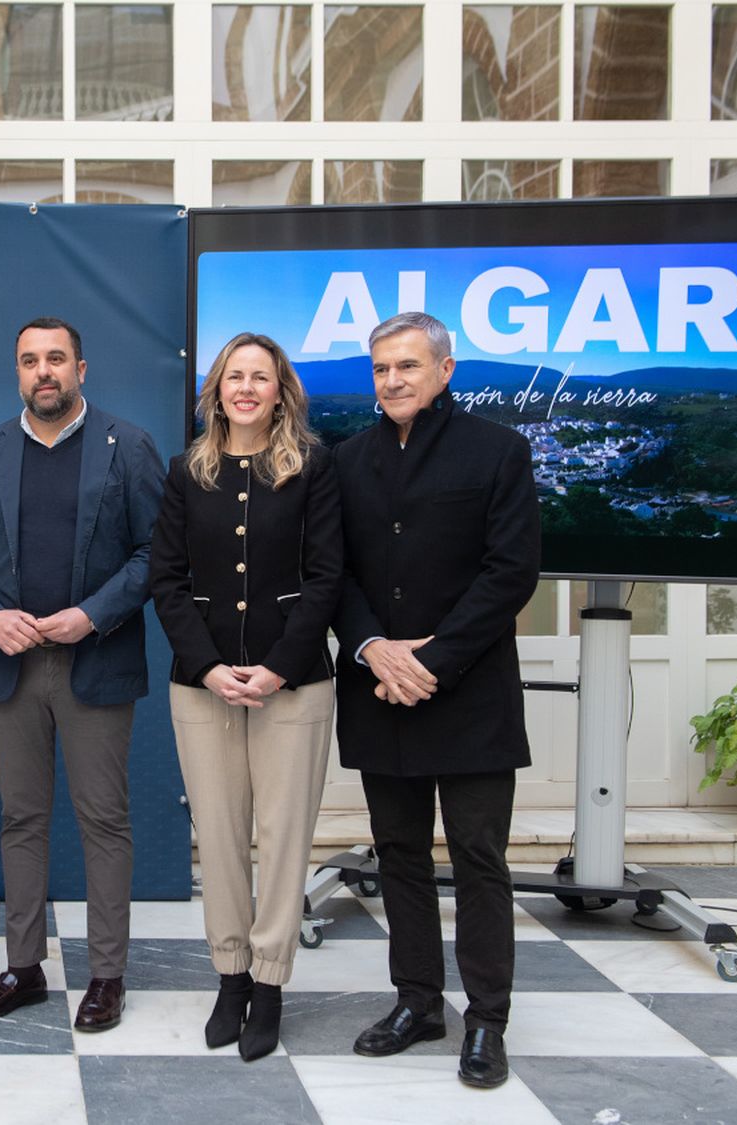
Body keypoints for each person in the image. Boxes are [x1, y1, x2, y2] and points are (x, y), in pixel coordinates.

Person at [333, 312, 541, 1088]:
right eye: (381, 368)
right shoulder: (344, 459)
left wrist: (432, 659)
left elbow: (510, 572)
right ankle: (417, 1002)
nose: (392, 380)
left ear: (445, 370)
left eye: (408, 366)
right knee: (399, 853)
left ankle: (487, 1019)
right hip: (378, 687)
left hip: (470, 691)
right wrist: (373, 647)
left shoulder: (498, 451)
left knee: (480, 857)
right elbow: (332, 572)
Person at [0, 316, 163, 1032]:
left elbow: (155, 553)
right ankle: (24, 967)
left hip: (94, 661)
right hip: (10, 665)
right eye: (30, 360)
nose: (44, 371)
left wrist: (92, 615)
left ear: (81, 369)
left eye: (57, 359)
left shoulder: (128, 444)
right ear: (18, 372)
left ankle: (107, 975)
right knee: (21, 818)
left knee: (103, 819)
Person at [149, 332, 341, 1061]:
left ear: (280, 391)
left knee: (283, 838)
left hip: (293, 685)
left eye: (261, 377)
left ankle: (271, 981)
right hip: (203, 688)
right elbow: (166, 579)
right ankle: (231, 977)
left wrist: (278, 666)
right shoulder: (186, 471)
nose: (247, 388)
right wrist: (207, 666)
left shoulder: (312, 467)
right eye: (235, 376)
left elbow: (327, 576)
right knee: (221, 835)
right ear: (216, 390)